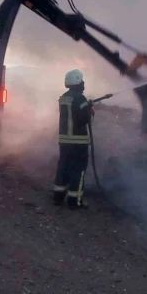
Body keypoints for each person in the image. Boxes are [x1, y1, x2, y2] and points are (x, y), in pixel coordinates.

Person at [51, 69, 94, 210]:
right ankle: (74, 201)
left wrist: (86, 106)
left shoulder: (63, 97)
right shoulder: (80, 99)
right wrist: (90, 110)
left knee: (63, 167)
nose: (83, 83)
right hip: (78, 142)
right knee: (78, 170)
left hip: (64, 141)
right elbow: (85, 120)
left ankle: (57, 197)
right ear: (77, 82)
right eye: (81, 80)